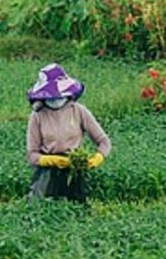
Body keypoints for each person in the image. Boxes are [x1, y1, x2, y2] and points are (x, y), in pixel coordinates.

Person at [25, 63, 112, 202]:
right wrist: (52, 160)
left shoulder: (78, 110)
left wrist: (98, 157)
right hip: (48, 170)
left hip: (75, 165)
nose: (56, 100)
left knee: (78, 207)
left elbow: (103, 141)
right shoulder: (37, 115)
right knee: (41, 207)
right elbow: (32, 154)